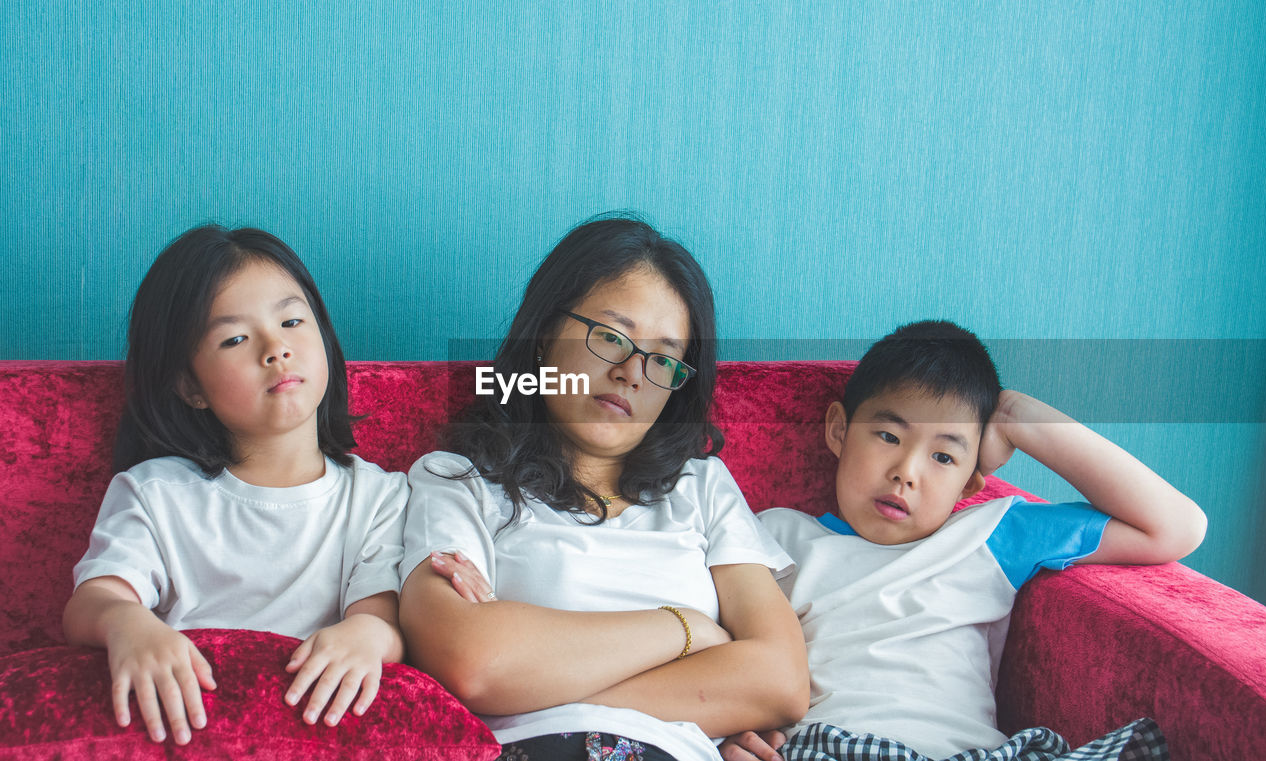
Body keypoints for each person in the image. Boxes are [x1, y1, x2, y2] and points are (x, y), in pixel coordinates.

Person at [399, 216, 809, 761]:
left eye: (663, 359)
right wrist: (689, 631)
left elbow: (780, 682)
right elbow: (472, 663)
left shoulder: (704, 486)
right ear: (546, 334)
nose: (632, 373)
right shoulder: (457, 480)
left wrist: (542, 687)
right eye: (611, 338)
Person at [721, 320, 1205, 761]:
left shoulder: (990, 534)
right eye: (888, 435)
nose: (905, 473)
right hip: (829, 746)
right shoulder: (777, 535)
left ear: (972, 484)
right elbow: (724, 648)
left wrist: (1018, 417)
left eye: (944, 458)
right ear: (839, 430)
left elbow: (1175, 528)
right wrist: (728, 736)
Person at [63, 225, 407, 746]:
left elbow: (379, 614)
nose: (276, 349)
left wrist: (367, 636)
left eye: (292, 321)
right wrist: (127, 625)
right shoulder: (155, 492)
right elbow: (96, 598)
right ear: (189, 386)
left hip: (311, 730)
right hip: (192, 730)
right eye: (235, 339)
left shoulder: (379, 496)